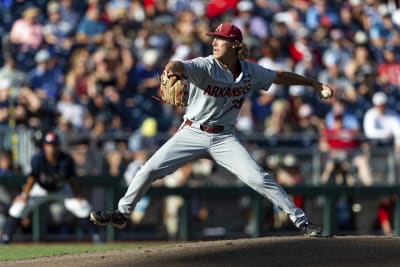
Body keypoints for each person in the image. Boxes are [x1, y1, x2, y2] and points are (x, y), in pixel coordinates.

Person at [90, 23, 334, 237]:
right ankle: (122, 213)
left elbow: (279, 76)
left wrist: (313, 83)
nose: (215, 43)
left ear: (235, 44)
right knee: (149, 169)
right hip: (192, 132)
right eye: (214, 38)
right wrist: (172, 70)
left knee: (259, 178)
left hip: (223, 137)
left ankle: (301, 221)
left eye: (221, 39)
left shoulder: (249, 71)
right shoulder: (205, 65)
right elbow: (178, 64)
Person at [0, 132, 100, 244]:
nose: (51, 147)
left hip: (61, 189)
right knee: (19, 207)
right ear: (44, 146)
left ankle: (97, 236)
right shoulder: (38, 159)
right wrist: (25, 195)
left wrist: (77, 195)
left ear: (58, 146)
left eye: (54, 145)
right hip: (40, 189)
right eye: (49, 145)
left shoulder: (65, 159)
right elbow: (32, 179)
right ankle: (6, 237)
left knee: (82, 206)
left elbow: (71, 180)